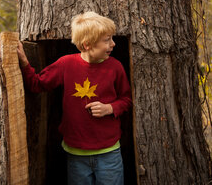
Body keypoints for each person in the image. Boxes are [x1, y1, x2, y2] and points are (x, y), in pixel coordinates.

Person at [17, 11, 132, 185]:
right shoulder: (66, 64)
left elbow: (126, 99)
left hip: (109, 152)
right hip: (76, 154)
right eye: (107, 40)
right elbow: (37, 85)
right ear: (87, 45)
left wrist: (110, 108)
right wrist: (25, 63)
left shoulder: (115, 67)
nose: (113, 44)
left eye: (112, 38)